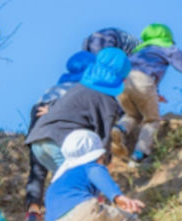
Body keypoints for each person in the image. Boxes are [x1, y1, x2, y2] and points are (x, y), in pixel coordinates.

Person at [25, 47, 131, 182]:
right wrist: (104, 161)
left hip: (38, 141)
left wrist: (51, 109)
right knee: (83, 181)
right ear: (121, 80)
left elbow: (63, 103)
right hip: (60, 142)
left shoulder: (79, 88)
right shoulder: (108, 103)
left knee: (69, 182)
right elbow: (103, 135)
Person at [111, 24, 182, 165]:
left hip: (122, 84)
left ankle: (119, 128)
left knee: (132, 115)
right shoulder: (165, 47)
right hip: (143, 82)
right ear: (167, 38)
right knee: (152, 120)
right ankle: (139, 154)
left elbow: (139, 71)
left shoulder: (139, 52)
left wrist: (154, 93)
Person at [24, 51, 95, 221]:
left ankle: (33, 213)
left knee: (37, 172)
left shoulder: (52, 89)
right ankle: (68, 219)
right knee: (70, 178)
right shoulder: (82, 89)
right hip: (58, 138)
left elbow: (36, 115)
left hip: (36, 136)